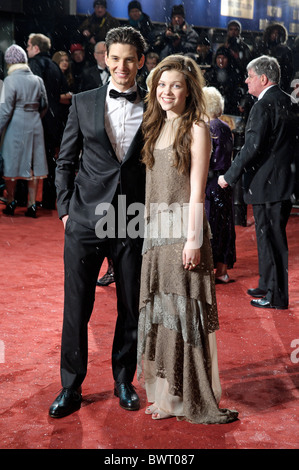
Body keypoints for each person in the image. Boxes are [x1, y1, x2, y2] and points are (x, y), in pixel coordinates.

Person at [49, 26, 147, 419]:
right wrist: (65, 209)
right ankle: (70, 386)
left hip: (132, 217)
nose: (121, 66)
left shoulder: (155, 107)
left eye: (129, 59)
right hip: (87, 218)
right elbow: (65, 160)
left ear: (141, 61)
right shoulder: (84, 102)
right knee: (77, 306)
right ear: (105, 59)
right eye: (115, 58)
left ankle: (124, 379)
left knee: (129, 305)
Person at [137, 54, 238, 423]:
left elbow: (197, 191)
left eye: (175, 85)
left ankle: (189, 398)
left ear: (188, 89)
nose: (167, 91)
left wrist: (193, 240)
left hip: (183, 232)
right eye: (161, 85)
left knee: (185, 316)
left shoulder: (196, 128)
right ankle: (167, 396)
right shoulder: (155, 126)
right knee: (163, 315)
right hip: (157, 234)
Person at [218, 55, 298, 309]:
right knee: (267, 238)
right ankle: (267, 284)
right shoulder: (290, 101)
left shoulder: (262, 106)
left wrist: (228, 177)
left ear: (263, 79)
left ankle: (276, 297)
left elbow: (251, 148)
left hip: (268, 184)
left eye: (250, 76)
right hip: (283, 182)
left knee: (272, 241)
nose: (246, 80)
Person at [1, 45, 48, 218]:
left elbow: (5, 111)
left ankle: (12, 201)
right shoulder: (37, 79)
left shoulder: (9, 80)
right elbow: (45, 105)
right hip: (35, 125)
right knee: (33, 167)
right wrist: (34, 117)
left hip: (16, 124)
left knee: (11, 166)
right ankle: (32, 205)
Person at [27, 33, 68, 210]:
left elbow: (35, 93)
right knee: (51, 161)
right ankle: (49, 201)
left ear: (36, 48)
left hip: (38, 118)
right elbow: (63, 92)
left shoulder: (35, 64)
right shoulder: (54, 66)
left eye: (29, 46)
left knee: (28, 161)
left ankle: (23, 200)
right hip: (54, 119)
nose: (27, 49)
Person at [203, 86, 236, 283]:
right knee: (224, 225)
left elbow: (211, 159)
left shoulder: (210, 127)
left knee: (211, 226)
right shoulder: (223, 126)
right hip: (223, 182)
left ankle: (210, 269)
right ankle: (222, 270)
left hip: (212, 183)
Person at [205, 46, 245, 116]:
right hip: (212, 108)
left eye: (224, 58)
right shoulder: (210, 74)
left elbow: (240, 90)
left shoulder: (235, 74)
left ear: (228, 59)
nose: (221, 61)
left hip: (231, 108)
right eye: (219, 58)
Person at [254, 23, 293, 93]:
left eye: (277, 34)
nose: (275, 35)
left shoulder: (285, 51)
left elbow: (288, 72)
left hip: (277, 84)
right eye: (273, 33)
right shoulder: (261, 48)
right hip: (262, 81)